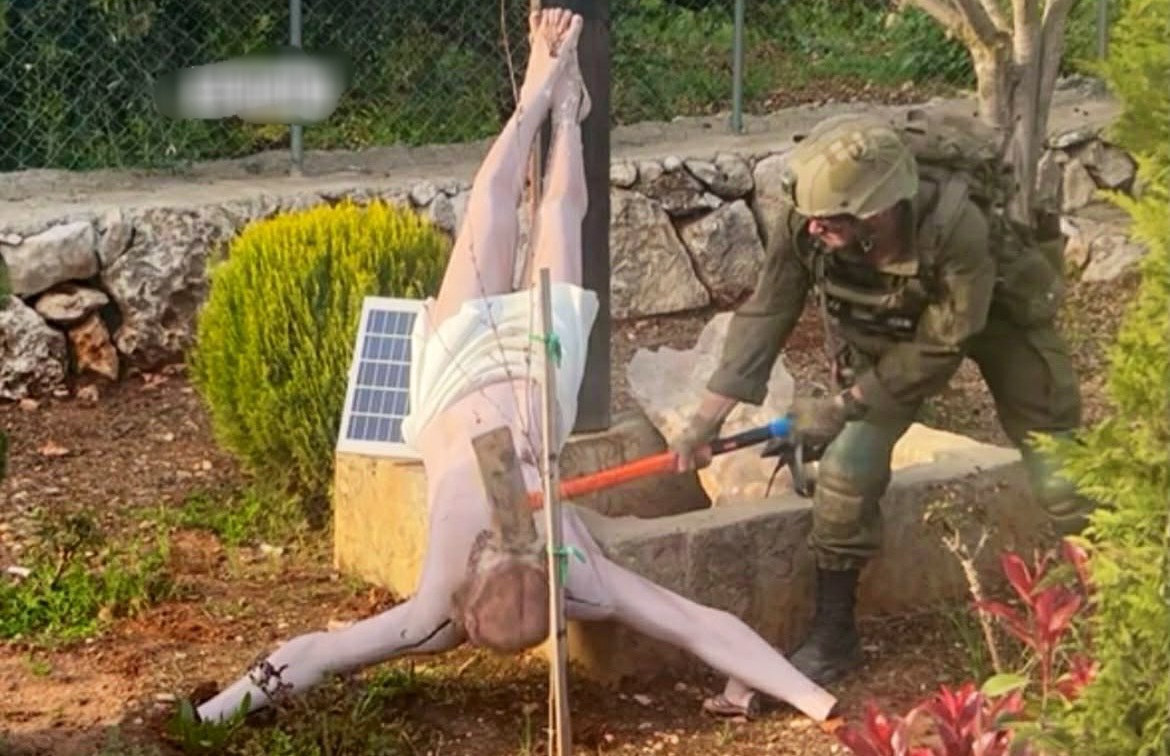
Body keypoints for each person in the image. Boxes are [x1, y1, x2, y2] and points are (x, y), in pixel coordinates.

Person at [187, 8, 838, 727]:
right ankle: (561, 108)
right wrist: (819, 703)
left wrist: (214, 712)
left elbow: (312, 653)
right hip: (533, 385)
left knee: (491, 212)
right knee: (559, 211)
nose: (511, 536)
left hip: (451, 383)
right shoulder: (579, 581)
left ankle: (542, 97)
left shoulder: (443, 612)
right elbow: (698, 624)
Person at [671, 113, 1092, 687]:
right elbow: (767, 313)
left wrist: (842, 404)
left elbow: (946, 340)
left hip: (993, 316)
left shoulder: (956, 226)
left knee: (1056, 459)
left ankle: (1107, 592)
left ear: (878, 210)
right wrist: (704, 420)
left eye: (831, 220)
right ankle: (835, 636)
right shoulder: (808, 222)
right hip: (891, 332)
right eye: (813, 218)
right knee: (847, 468)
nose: (815, 229)